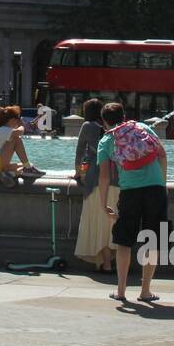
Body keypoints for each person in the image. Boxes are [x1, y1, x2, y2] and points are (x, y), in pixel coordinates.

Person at [97, 102, 168, 302]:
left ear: (104, 121)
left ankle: (121, 290)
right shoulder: (142, 128)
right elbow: (162, 155)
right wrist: (162, 184)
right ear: (124, 115)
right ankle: (145, 291)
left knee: (124, 241)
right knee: (152, 241)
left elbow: (104, 177)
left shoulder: (106, 140)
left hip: (129, 192)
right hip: (155, 190)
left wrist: (103, 204)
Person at [73, 98, 114, 272]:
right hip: (117, 179)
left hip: (96, 180)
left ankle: (105, 262)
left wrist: (77, 171)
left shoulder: (88, 126)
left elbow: (80, 150)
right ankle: (108, 261)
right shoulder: (111, 128)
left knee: (98, 222)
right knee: (111, 223)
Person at [0, 105, 45, 186]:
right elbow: (19, 132)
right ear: (12, 120)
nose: (18, 122)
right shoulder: (3, 129)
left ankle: (7, 174)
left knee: (28, 165)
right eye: (17, 120)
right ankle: (23, 170)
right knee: (17, 139)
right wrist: (22, 125)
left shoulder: (3, 130)